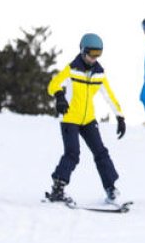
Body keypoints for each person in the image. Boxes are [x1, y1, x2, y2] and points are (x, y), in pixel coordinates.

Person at [46, 33, 126, 204]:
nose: (94, 58)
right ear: (83, 51)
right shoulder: (72, 69)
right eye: (92, 54)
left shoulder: (99, 73)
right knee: (73, 153)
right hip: (70, 118)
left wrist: (120, 117)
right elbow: (53, 84)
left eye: (99, 54)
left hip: (88, 119)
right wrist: (59, 96)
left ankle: (111, 188)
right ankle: (57, 189)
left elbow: (109, 96)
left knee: (101, 152)